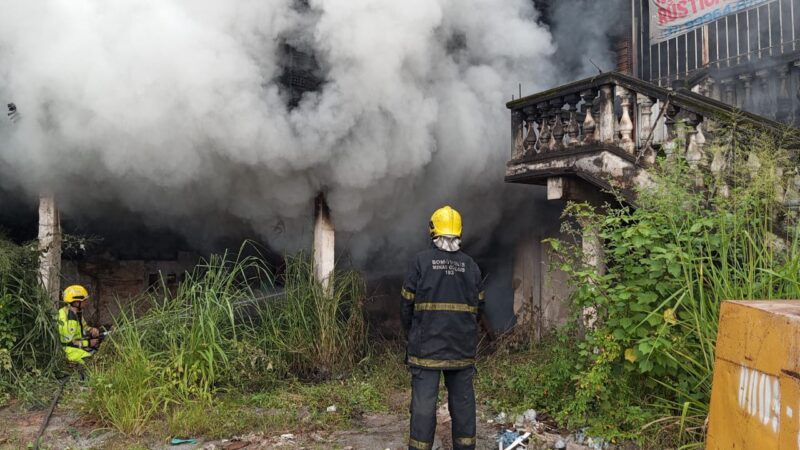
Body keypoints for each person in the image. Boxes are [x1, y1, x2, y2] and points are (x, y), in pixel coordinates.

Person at [401, 205, 485, 450]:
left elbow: (406, 305)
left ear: (432, 230)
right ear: (458, 232)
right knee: (463, 403)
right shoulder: (471, 266)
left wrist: (413, 334)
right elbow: (479, 308)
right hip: (461, 350)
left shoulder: (420, 262)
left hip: (426, 350)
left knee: (424, 406)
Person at [57, 285, 101, 363]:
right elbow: (67, 343)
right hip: (67, 351)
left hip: (75, 347)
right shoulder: (68, 317)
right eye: (84, 300)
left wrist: (91, 330)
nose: (87, 302)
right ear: (77, 302)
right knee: (93, 361)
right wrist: (88, 343)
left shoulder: (76, 312)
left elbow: (83, 326)